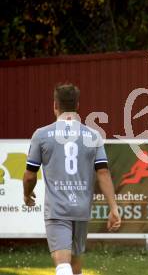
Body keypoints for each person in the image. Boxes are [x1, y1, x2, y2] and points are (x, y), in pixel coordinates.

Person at [23, 84, 121, 275]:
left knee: (62, 264)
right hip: (81, 209)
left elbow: (29, 175)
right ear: (77, 105)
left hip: (58, 209)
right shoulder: (92, 135)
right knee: (75, 266)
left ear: (55, 105)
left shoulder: (41, 135)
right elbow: (103, 173)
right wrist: (114, 207)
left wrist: (27, 194)